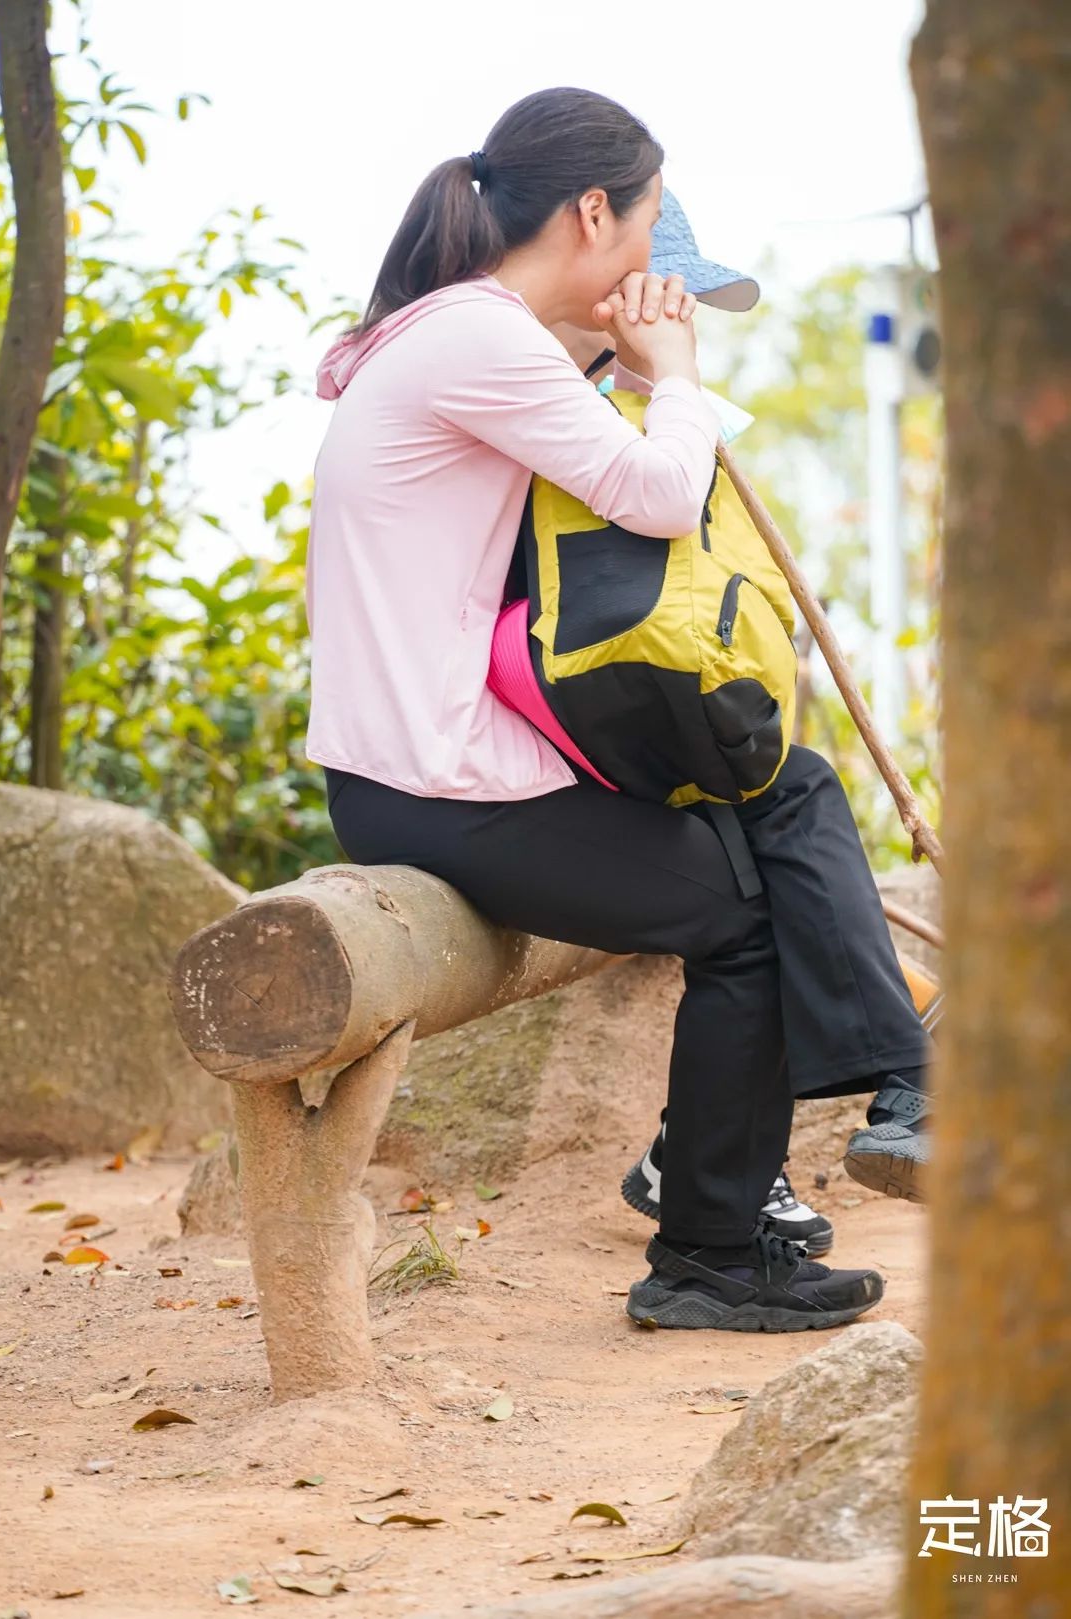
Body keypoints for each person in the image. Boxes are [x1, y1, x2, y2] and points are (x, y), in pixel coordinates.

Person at [308, 86, 895, 1332]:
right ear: (591, 213)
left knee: (777, 795)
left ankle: (855, 1120)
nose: (655, 259)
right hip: (435, 782)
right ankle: (707, 1253)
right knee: (744, 918)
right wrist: (673, 369)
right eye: (651, 225)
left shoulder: (460, 331)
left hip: (443, 763)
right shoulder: (478, 338)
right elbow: (657, 495)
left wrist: (631, 362)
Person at [523, 195, 932, 1250]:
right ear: (611, 290)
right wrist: (670, 388)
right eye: (673, 295)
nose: (687, 318)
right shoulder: (551, 402)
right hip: (555, 742)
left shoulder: (636, 404)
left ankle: (710, 1151)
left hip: (632, 727)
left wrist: (672, 391)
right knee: (788, 816)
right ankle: (896, 1090)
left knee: (786, 816)